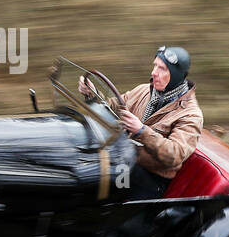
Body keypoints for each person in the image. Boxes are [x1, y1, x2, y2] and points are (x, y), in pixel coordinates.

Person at [80, 45, 203, 199]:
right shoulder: (144, 90)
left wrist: (141, 131)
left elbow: (175, 155)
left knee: (110, 199)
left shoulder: (190, 114)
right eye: (155, 65)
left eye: (162, 69)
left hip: (150, 177)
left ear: (176, 75)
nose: (154, 72)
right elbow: (113, 107)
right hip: (124, 161)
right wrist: (93, 94)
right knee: (86, 177)